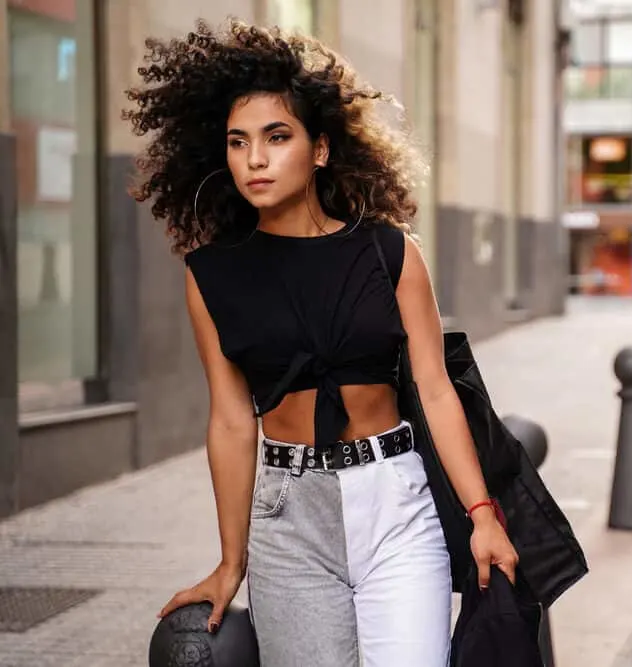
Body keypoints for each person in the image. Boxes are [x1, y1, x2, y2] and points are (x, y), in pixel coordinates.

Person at [123, 19, 518, 667]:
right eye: (238, 142)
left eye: (277, 137)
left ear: (321, 149)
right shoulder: (210, 276)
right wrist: (231, 560)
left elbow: (435, 387)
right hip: (289, 514)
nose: (255, 158)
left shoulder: (392, 254)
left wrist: (482, 513)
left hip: (395, 501)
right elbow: (228, 418)